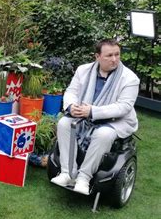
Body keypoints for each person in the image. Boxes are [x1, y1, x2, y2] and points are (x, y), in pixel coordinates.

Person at [51, 39, 140, 195]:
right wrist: (72, 107)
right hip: (84, 114)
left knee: (103, 134)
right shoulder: (83, 70)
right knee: (64, 123)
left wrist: (92, 111)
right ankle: (67, 173)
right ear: (97, 56)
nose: (114, 59)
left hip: (116, 121)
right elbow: (71, 92)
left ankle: (84, 178)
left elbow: (124, 107)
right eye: (109, 55)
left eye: (117, 54)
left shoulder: (130, 78)